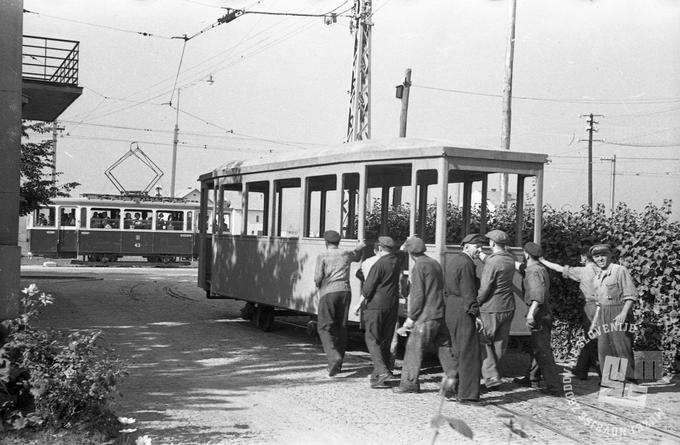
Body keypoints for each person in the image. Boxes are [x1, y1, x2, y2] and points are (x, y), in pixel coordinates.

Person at [392, 236, 457, 394]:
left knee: (414, 349)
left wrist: (411, 318)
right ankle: (455, 381)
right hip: (439, 313)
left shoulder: (419, 266)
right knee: (445, 348)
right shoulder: (434, 263)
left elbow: (418, 295)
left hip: (425, 316)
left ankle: (409, 383)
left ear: (410, 252)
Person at [540, 244, 600, 380]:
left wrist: (543, 261)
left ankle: (597, 372)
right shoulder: (603, 269)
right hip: (604, 306)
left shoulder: (583, 271)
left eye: (582, 256)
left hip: (590, 306)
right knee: (592, 338)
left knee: (591, 338)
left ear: (585, 257)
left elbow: (559, 268)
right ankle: (581, 370)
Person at [314, 230, 364, 377]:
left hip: (328, 292)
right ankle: (337, 365)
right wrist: (360, 246)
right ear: (338, 241)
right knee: (341, 327)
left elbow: (318, 277)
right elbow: (357, 255)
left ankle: (333, 357)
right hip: (345, 292)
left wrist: (319, 286)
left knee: (324, 326)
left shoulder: (323, 255)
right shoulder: (345, 254)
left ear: (326, 241)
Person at [443, 233, 486, 402]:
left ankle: (450, 389)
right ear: (467, 246)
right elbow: (469, 292)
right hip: (463, 310)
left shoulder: (454, 261)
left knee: (457, 351)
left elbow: (446, 289)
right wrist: (475, 314)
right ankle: (468, 395)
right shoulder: (467, 264)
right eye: (477, 247)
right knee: (469, 354)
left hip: (452, 308)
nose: (480, 250)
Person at [517, 242, 562, 395]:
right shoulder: (538, 268)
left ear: (527, 255)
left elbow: (538, 294)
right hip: (544, 312)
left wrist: (531, 313)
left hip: (538, 313)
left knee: (543, 351)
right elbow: (522, 267)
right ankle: (532, 378)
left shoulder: (533, 272)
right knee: (536, 347)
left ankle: (554, 387)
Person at [590, 244, 638, 380]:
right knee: (604, 349)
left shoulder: (619, 270)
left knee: (622, 348)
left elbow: (631, 295)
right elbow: (599, 304)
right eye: (597, 256)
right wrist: (594, 323)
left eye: (603, 255)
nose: (600, 259)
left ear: (610, 256)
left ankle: (629, 380)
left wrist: (623, 314)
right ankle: (610, 380)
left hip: (618, 310)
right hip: (603, 314)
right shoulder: (597, 277)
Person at [476, 229, 516, 389]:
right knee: (500, 343)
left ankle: (491, 377)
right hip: (508, 306)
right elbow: (496, 263)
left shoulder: (493, 262)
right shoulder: (510, 259)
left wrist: (476, 301)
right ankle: (495, 374)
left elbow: (485, 287)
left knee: (483, 340)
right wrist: (482, 256)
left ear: (492, 243)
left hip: (491, 307)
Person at [361, 236, 401, 388]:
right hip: (392, 305)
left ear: (379, 248)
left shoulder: (379, 264)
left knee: (372, 338)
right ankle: (378, 377)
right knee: (385, 339)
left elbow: (367, 288)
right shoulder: (396, 261)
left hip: (376, 305)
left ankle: (382, 371)